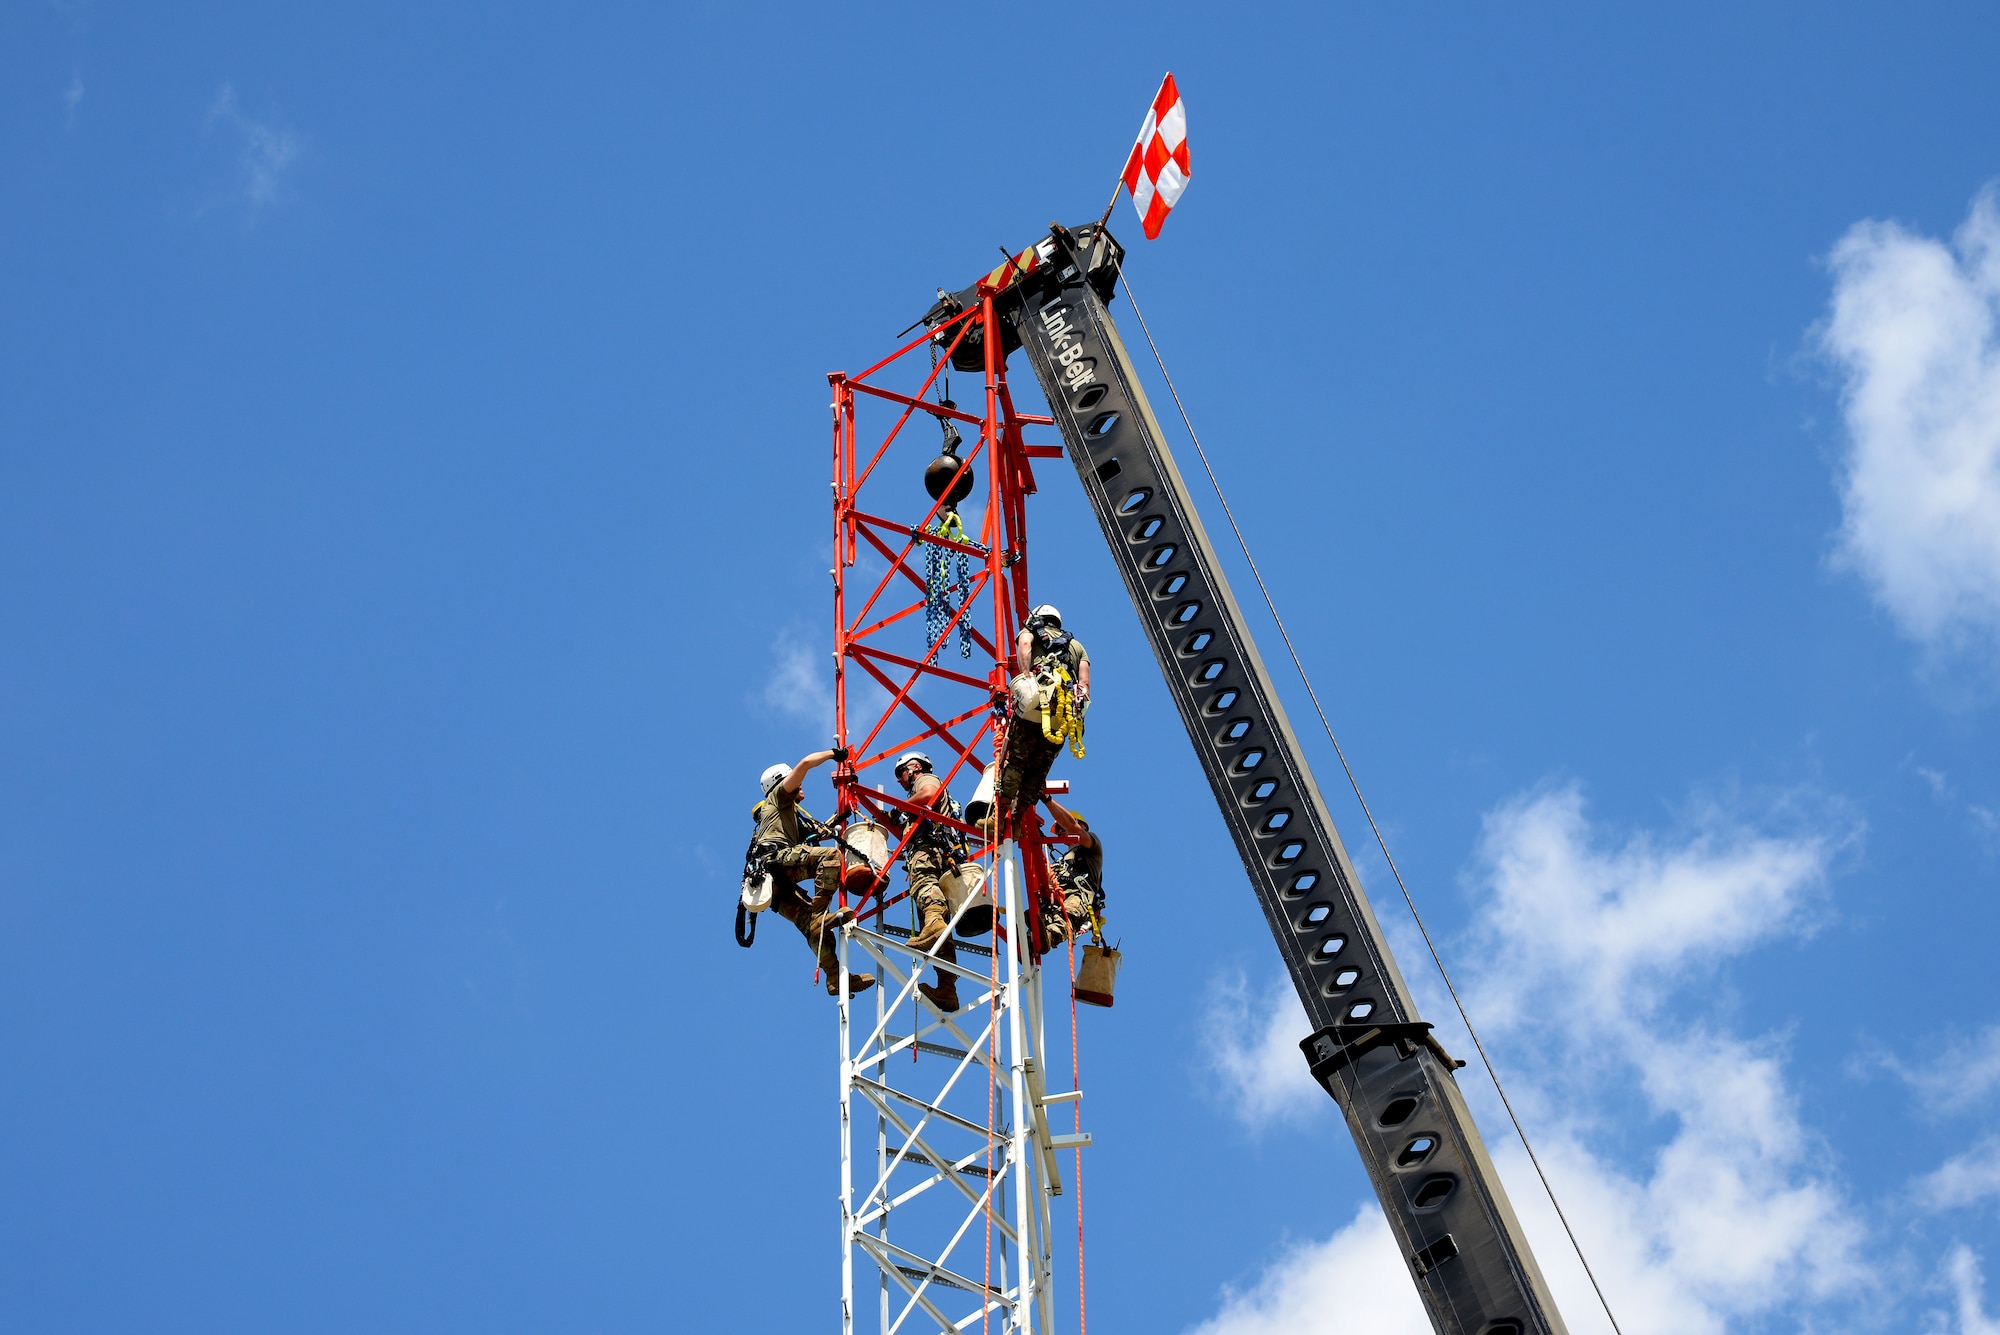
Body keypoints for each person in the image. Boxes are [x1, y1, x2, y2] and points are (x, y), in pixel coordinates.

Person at [750, 748, 875, 997]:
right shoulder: (778, 797)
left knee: (813, 928)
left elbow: (816, 834)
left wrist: (841, 817)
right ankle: (820, 914)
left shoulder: (790, 816)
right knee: (830, 857)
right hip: (777, 862)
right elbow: (805, 763)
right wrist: (834, 754)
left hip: (771, 886)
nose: (802, 786)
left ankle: (834, 977)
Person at [990, 604, 1089, 836]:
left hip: (1035, 704)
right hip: (1061, 717)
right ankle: (1017, 820)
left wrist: (1025, 676)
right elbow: (1084, 684)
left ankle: (1000, 813)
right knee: (1038, 770)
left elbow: (1024, 646)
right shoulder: (1077, 647)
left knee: (1016, 763)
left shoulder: (1030, 630)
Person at [888, 751, 964, 1014]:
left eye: (901, 774)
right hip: (943, 855)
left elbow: (929, 792)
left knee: (925, 890)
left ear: (914, 767)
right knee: (938, 923)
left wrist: (898, 807)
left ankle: (933, 925)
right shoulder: (921, 791)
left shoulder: (925, 779)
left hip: (930, 850)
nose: (900, 781)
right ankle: (947, 989)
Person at [1040, 797, 1103, 947]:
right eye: (1059, 830)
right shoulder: (1059, 862)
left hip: (1077, 898)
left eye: (1062, 827)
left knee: (1064, 917)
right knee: (1039, 919)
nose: (1060, 832)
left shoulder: (1091, 847)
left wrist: (1046, 799)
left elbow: (1072, 827)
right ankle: (1029, 939)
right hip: (1053, 901)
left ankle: (1049, 936)